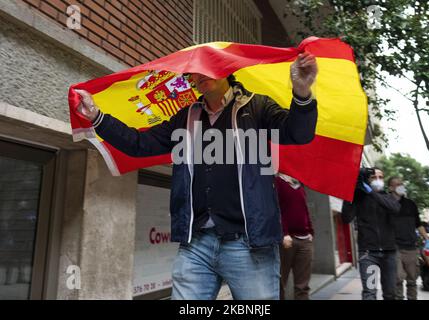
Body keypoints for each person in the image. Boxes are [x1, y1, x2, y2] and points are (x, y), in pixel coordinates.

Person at [75, 52, 318, 300]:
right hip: (196, 245)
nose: (199, 75)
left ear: (225, 69)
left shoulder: (257, 107)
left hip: (249, 244)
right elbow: (141, 144)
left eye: (207, 68)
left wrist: (301, 93)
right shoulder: (186, 116)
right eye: (194, 71)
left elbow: (297, 134)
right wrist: (97, 117)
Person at [342, 167, 401, 300]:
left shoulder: (389, 197)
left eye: (380, 177)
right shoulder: (359, 197)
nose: (378, 180)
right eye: (374, 177)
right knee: (370, 293)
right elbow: (346, 218)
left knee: (390, 293)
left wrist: (370, 192)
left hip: (389, 253)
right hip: (369, 254)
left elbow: (395, 208)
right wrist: (350, 193)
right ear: (367, 181)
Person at [388, 176, 429, 300]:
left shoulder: (410, 204)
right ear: (390, 188)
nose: (400, 186)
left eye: (401, 183)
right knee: (397, 279)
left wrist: (427, 239)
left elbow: (418, 223)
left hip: (411, 248)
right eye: (397, 184)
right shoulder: (386, 203)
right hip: (393, 248)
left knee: (412, 281)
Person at [275, 173, 314, 300]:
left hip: (305, 240)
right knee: (280, 283)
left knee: (303, 286)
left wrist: (310, 232)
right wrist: (284, 233)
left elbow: (305, 210)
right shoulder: (277, 182)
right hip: (287, 240)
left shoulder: (300, 184)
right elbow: (276, 210)